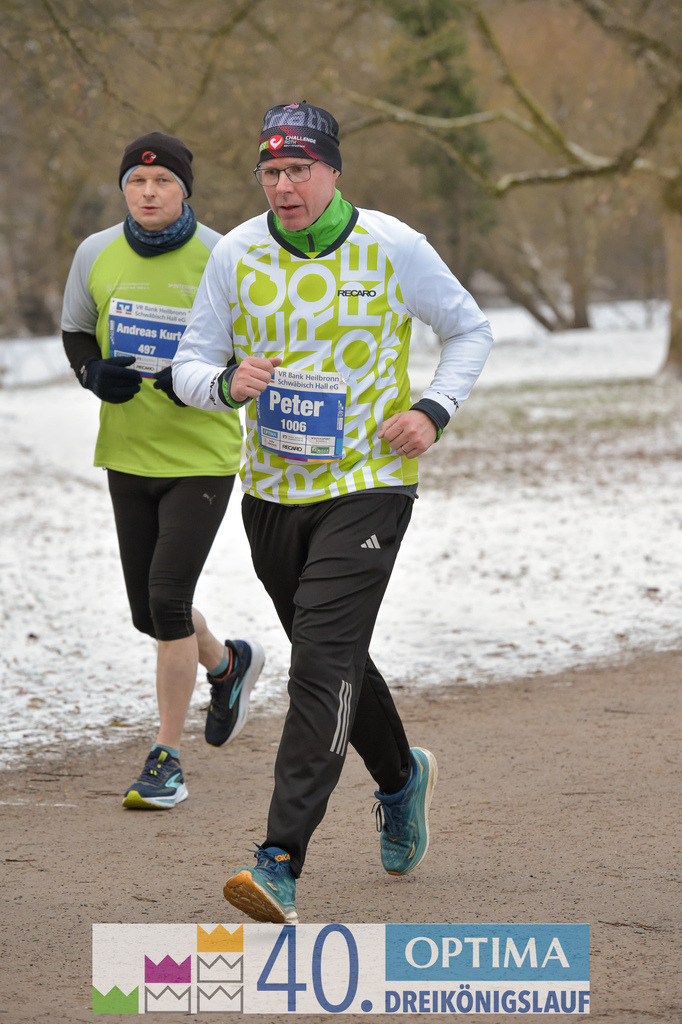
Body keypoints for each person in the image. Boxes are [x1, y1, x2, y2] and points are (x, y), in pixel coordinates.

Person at [173, 102, 492, 920]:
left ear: (333, 171)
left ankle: (278, 858)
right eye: (271, 172)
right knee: (334, 654)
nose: (283, 186)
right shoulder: (236, 254)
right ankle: (400, 777)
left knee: (319, 665)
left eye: (299, 170)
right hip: (273, 495)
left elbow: (469, 330)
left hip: (371, 485)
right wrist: (224, 384)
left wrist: (433, 409)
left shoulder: (393, 246)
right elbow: (192, 362)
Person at [61, 131, 264, 811]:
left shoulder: (223, 255)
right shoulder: (95, 253)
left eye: (163, 184)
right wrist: (92, 372)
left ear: (185, 190)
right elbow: (77, 331)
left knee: (169, 598)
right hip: (127, 452)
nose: (148, 194)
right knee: (151, 614)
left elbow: (253, 352)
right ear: (125, 190)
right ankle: (225, 662)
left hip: (202, 453)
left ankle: (166, 760)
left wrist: (205, 381)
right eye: (136, 184)